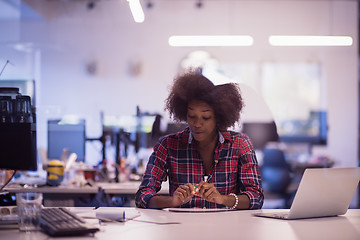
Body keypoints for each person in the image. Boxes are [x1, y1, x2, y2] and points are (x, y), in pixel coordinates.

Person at [135, 69, 264, 209]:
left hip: (227, 228)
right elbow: (142, 196)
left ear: (219, 117)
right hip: (180, 227)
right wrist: (172, 201)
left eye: (206, 118)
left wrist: (222, 199)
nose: (197, 124)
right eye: (192, 116)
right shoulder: (167, 146)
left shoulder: (240, 144)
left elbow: (256, 197)